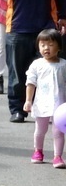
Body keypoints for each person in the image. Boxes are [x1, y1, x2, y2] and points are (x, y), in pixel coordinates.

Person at [24, 28, 66, 167]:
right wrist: (28, 101)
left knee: (58, 131)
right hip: (41, 103)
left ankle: (58, 156)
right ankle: (38, 151)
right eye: (42, 45)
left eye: (50, 45)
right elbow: (31, 83)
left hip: (60, 105)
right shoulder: (37, 65)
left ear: (59, 47)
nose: (46, 48)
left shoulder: (63, 65)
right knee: (40, 130)